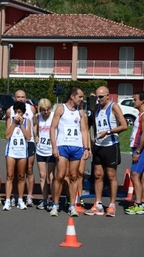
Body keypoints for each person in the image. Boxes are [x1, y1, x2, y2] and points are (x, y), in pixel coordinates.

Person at [84, 86, 127, 217]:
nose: (99, 99)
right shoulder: (96, 108)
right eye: (97, 96)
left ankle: (112, 205)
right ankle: (98, 204)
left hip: (111, 144)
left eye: (101, 96)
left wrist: (108, 132)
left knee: (111, 175)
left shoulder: (114, 107)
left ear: (108, 96)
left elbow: (124, 125)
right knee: (97, 175)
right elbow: (91, 125)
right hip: (98, 145)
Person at [49, 87, 91, 217]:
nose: (82, 99)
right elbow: (53, 128)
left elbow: (84, 130)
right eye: (80, 96)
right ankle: (55, 205)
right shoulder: (61, 108)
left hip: (76, 147)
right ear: (72, 96)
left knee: (74, 176)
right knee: (60, 175)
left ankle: (72, 205)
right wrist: (54, 147)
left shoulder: (81, 112)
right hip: (63, 146)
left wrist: (86, 148)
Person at [6, 90, 37, 207]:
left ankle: (29, 195)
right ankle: (14, 195)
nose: (20, 99)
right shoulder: (10, 110)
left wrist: (36, 136)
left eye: (22, 97)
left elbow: (34, 124)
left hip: (28, 142)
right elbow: (7, 131)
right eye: (18, 97)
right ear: (14, 98)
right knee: (13, 172)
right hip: (15, 142)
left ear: (26, 98)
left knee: (29, 170)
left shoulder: (31, 109)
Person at [125, 90, 144, 215]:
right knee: (142, 177)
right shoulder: (141, 114)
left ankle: (138, 204)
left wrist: (137, 151)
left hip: (142, 148)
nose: (133, 101)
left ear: (142, 101)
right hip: (141, 148)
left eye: (135, 99)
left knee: (134, 175)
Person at [3, 101, 31, 211]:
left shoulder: (27, 121)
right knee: (10, 176)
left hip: (22, 152)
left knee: (21, 176)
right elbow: (6, 135)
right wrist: (14, 123)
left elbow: (28, 137)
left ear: (23, 113)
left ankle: (20, 200)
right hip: (11, 152)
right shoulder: (10, 120)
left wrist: (21, 125)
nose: (17, 114)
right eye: (15, 112)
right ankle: (8, 200)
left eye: (19, 112)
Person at [35, 98, 56, 210]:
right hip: (40, 150)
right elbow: (35, 126)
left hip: (51, 150)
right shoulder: (38, 117)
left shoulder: (54, 116)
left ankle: (53, 200)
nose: (46, 112)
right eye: (43, 110)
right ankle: (44, 200)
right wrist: (36, 136)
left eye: (47, 109)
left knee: (51, 176)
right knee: (42, 176)